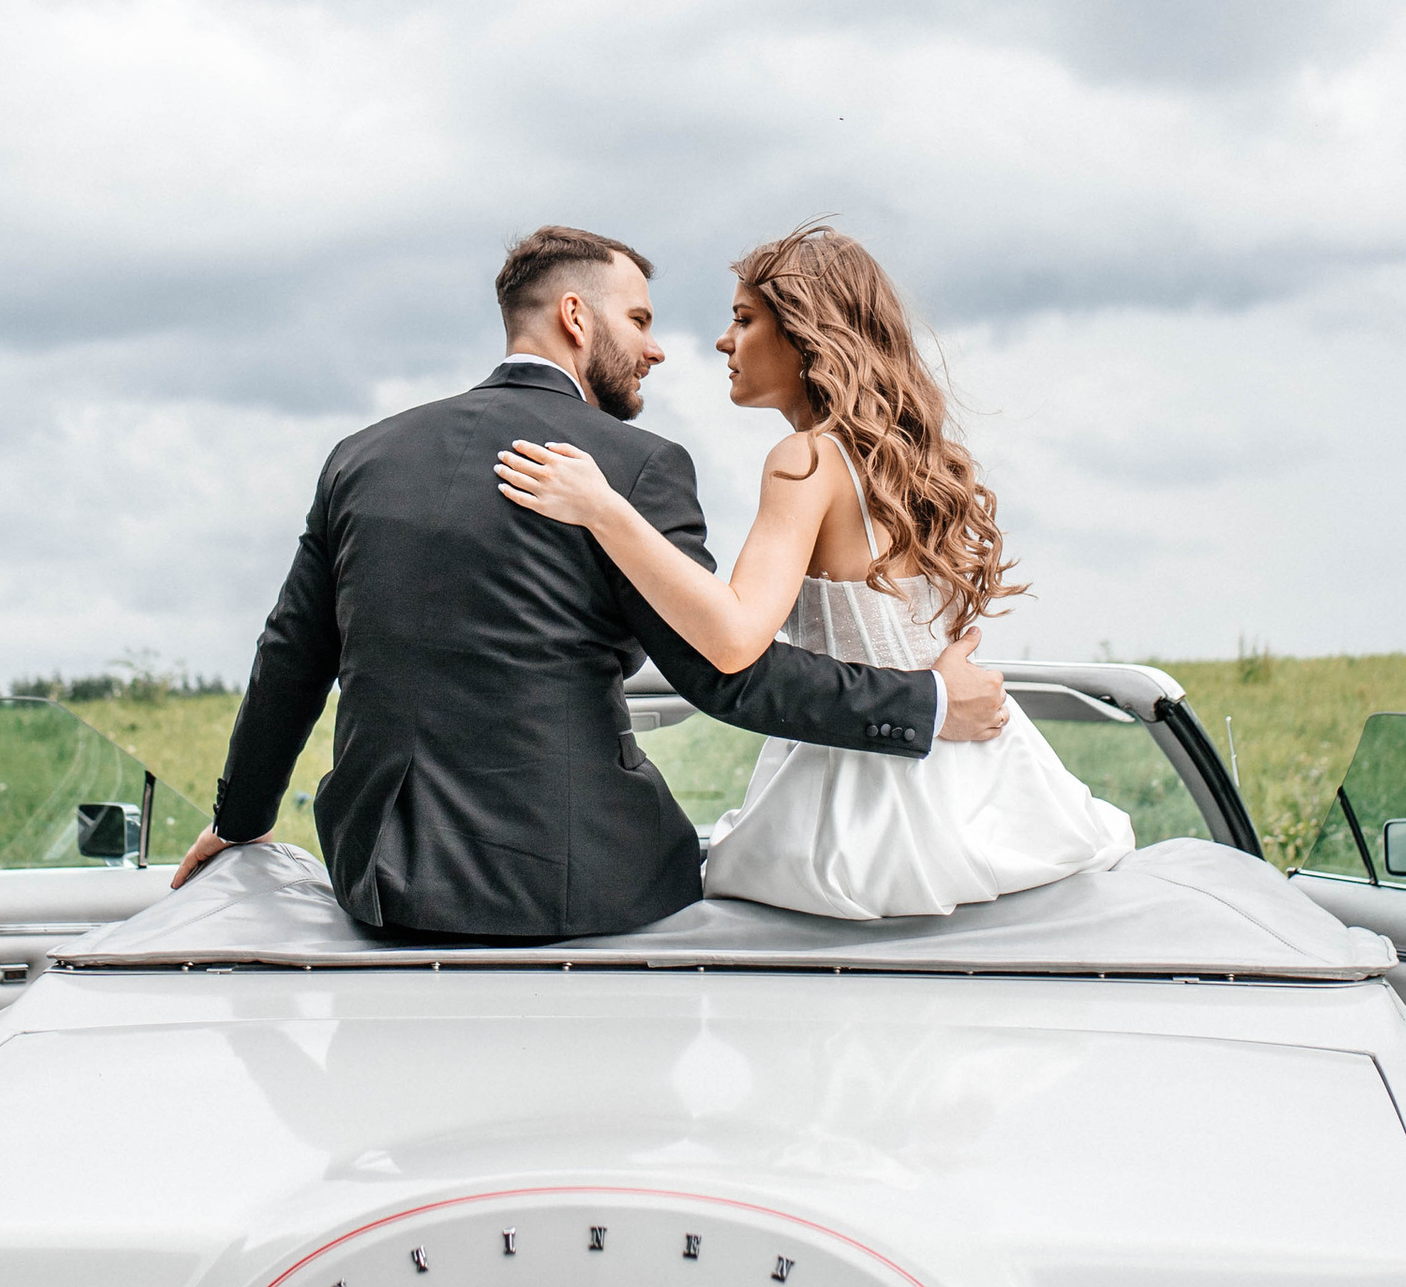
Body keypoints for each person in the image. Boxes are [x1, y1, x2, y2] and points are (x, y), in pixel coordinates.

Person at [169, 225, 1010, 941]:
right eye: (640, 319)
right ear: (577, 317)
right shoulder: (636, 467)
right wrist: (924, 706)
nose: (656, 347)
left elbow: (291, 656)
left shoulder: (362, 456)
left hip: (378, 876)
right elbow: (726, 671)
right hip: (577, 882)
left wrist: (238, 824)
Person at [494, 223, 1132, 922]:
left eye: (744, 319)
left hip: (866, 804)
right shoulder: (908, 466)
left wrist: (601, 508)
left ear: (804, 335)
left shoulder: (803, 460)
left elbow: (736, 637)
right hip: (987, 782)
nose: (722, 341)